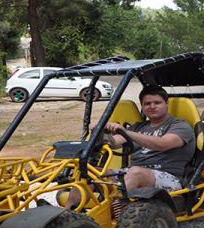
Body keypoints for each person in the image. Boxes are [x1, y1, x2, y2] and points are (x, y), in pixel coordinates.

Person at [63, 85, 195, 209]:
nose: (152, 106)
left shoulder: (180, 126)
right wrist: (98, 132)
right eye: (147, 104)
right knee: (92, 171)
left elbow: (162, 144)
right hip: (131, 174)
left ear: (166, 104)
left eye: (157, 102)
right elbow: (113, 143)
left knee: (136, 172)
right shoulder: (139, 127)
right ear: (142, 107)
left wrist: (126, 132)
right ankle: (69, 214)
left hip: (169, 178)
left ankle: (107, 215)